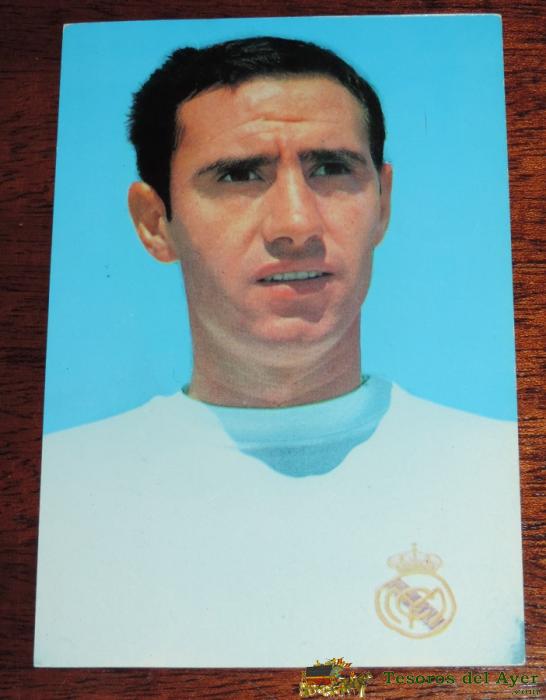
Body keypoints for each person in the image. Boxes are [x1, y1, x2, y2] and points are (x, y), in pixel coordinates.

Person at [35, 37, 524, 667]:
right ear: (156, 222)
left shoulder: (506, 477)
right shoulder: (54, 495)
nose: (296, 224)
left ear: (382, 203)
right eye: (240, 175)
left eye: (332, 169)